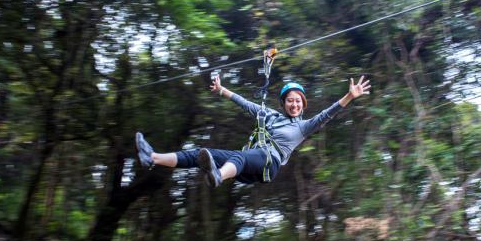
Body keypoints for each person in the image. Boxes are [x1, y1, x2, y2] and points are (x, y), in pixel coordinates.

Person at [135, 75, 371, 187]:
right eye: (290, 100)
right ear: (284, 103)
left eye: (298, 101)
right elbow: (245, 104)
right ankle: (153, 158)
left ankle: (217, 175)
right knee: (201, 153)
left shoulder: (303, 126)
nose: (294, 104)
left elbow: (326, 115)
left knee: (243, 155)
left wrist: (350, 96)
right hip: (247, 166)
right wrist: (221, 90)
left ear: (303, 104)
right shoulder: (269, 116)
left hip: (269, 164)